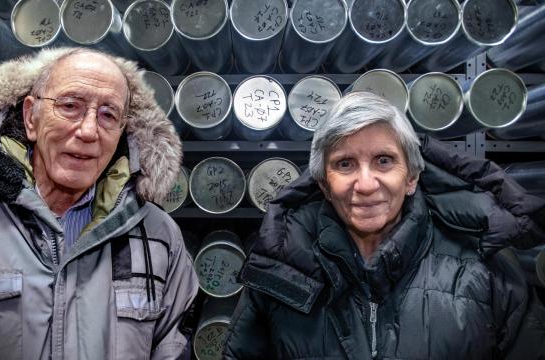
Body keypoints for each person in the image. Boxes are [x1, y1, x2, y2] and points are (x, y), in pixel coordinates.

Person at [0, 48, 198, 359]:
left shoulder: (158, 236)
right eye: (70, 106)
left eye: (108, 115)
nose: (88, 131)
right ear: (31, 116)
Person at [223, 92, 545, 359]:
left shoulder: (486, 267)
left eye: (384, 161)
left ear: (411, 177)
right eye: (345, 164)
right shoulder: (280, 267)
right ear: (323, 184)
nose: (365, 185)